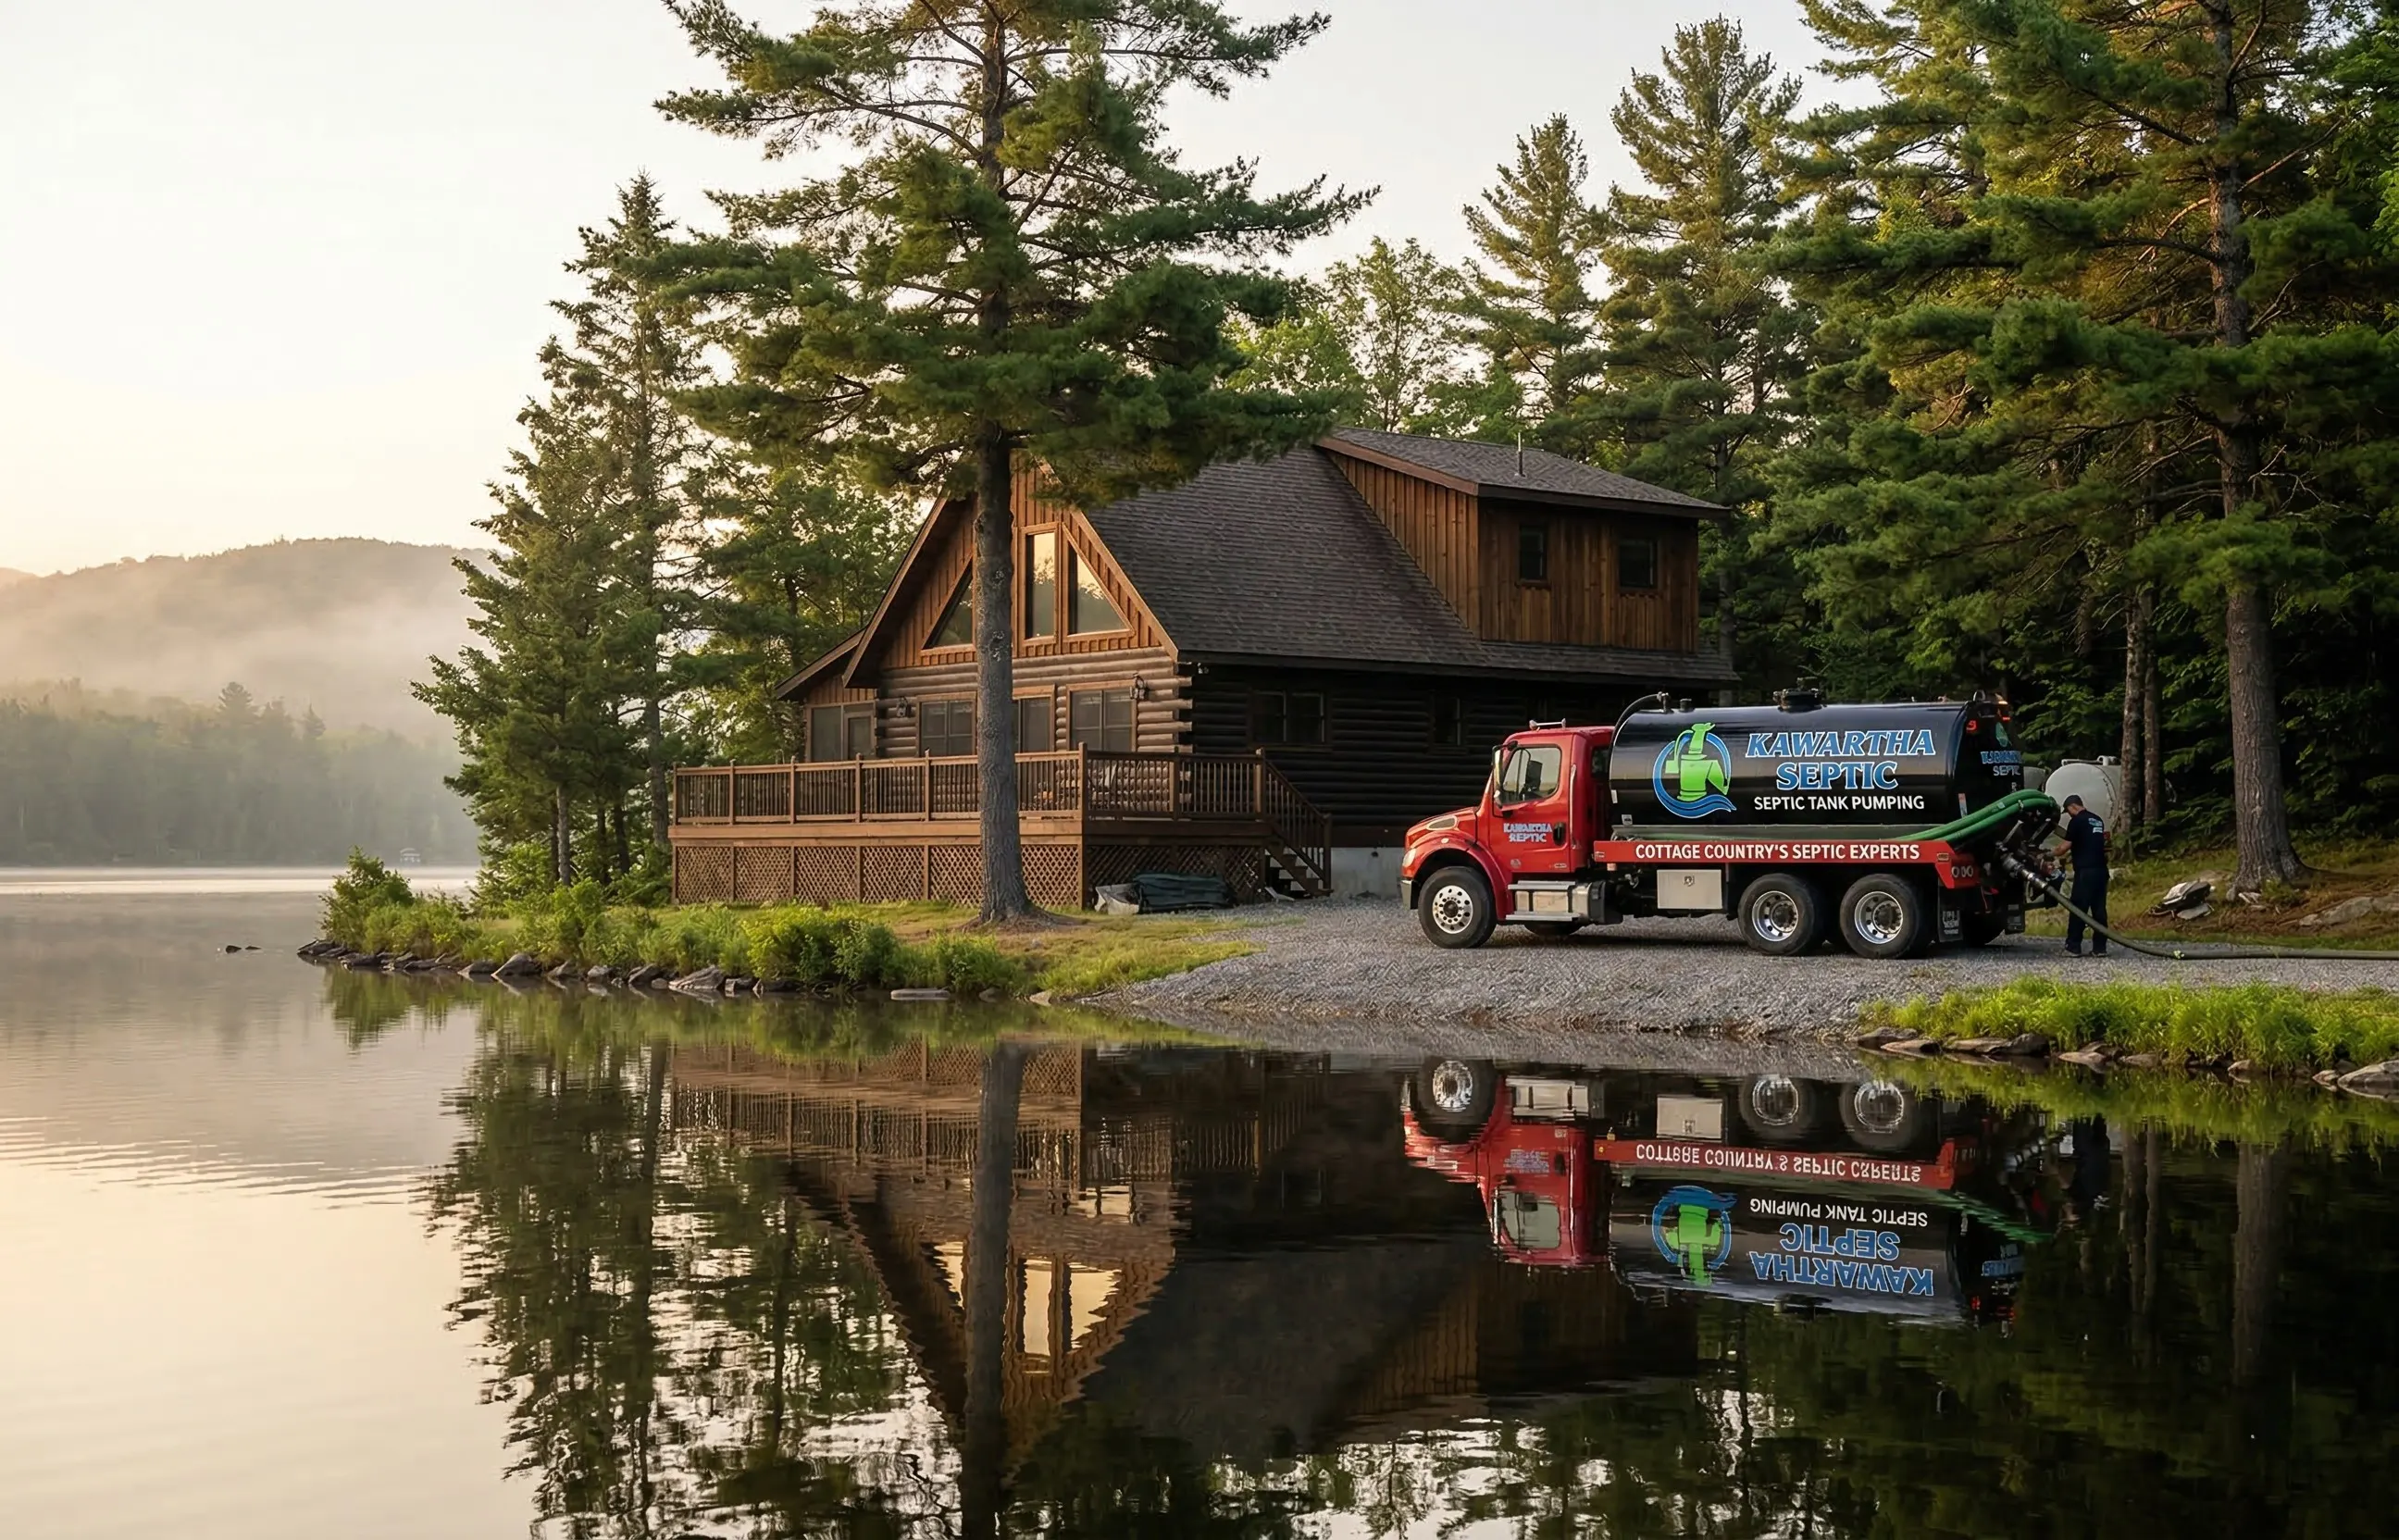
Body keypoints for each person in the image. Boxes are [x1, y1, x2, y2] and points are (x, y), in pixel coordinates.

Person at [2057, 794, 2109, 956]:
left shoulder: (2077, 821)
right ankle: (2100, 948)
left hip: (2085, 873)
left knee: (2078, 908)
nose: (2069, 814)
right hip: (2101, 871)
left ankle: (2073, 947)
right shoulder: (2097, 820)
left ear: (2073, 807)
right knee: (2099, 910)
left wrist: (2048, 854)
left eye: (2068, 811)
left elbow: (2064, 847)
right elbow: (2089, 844)